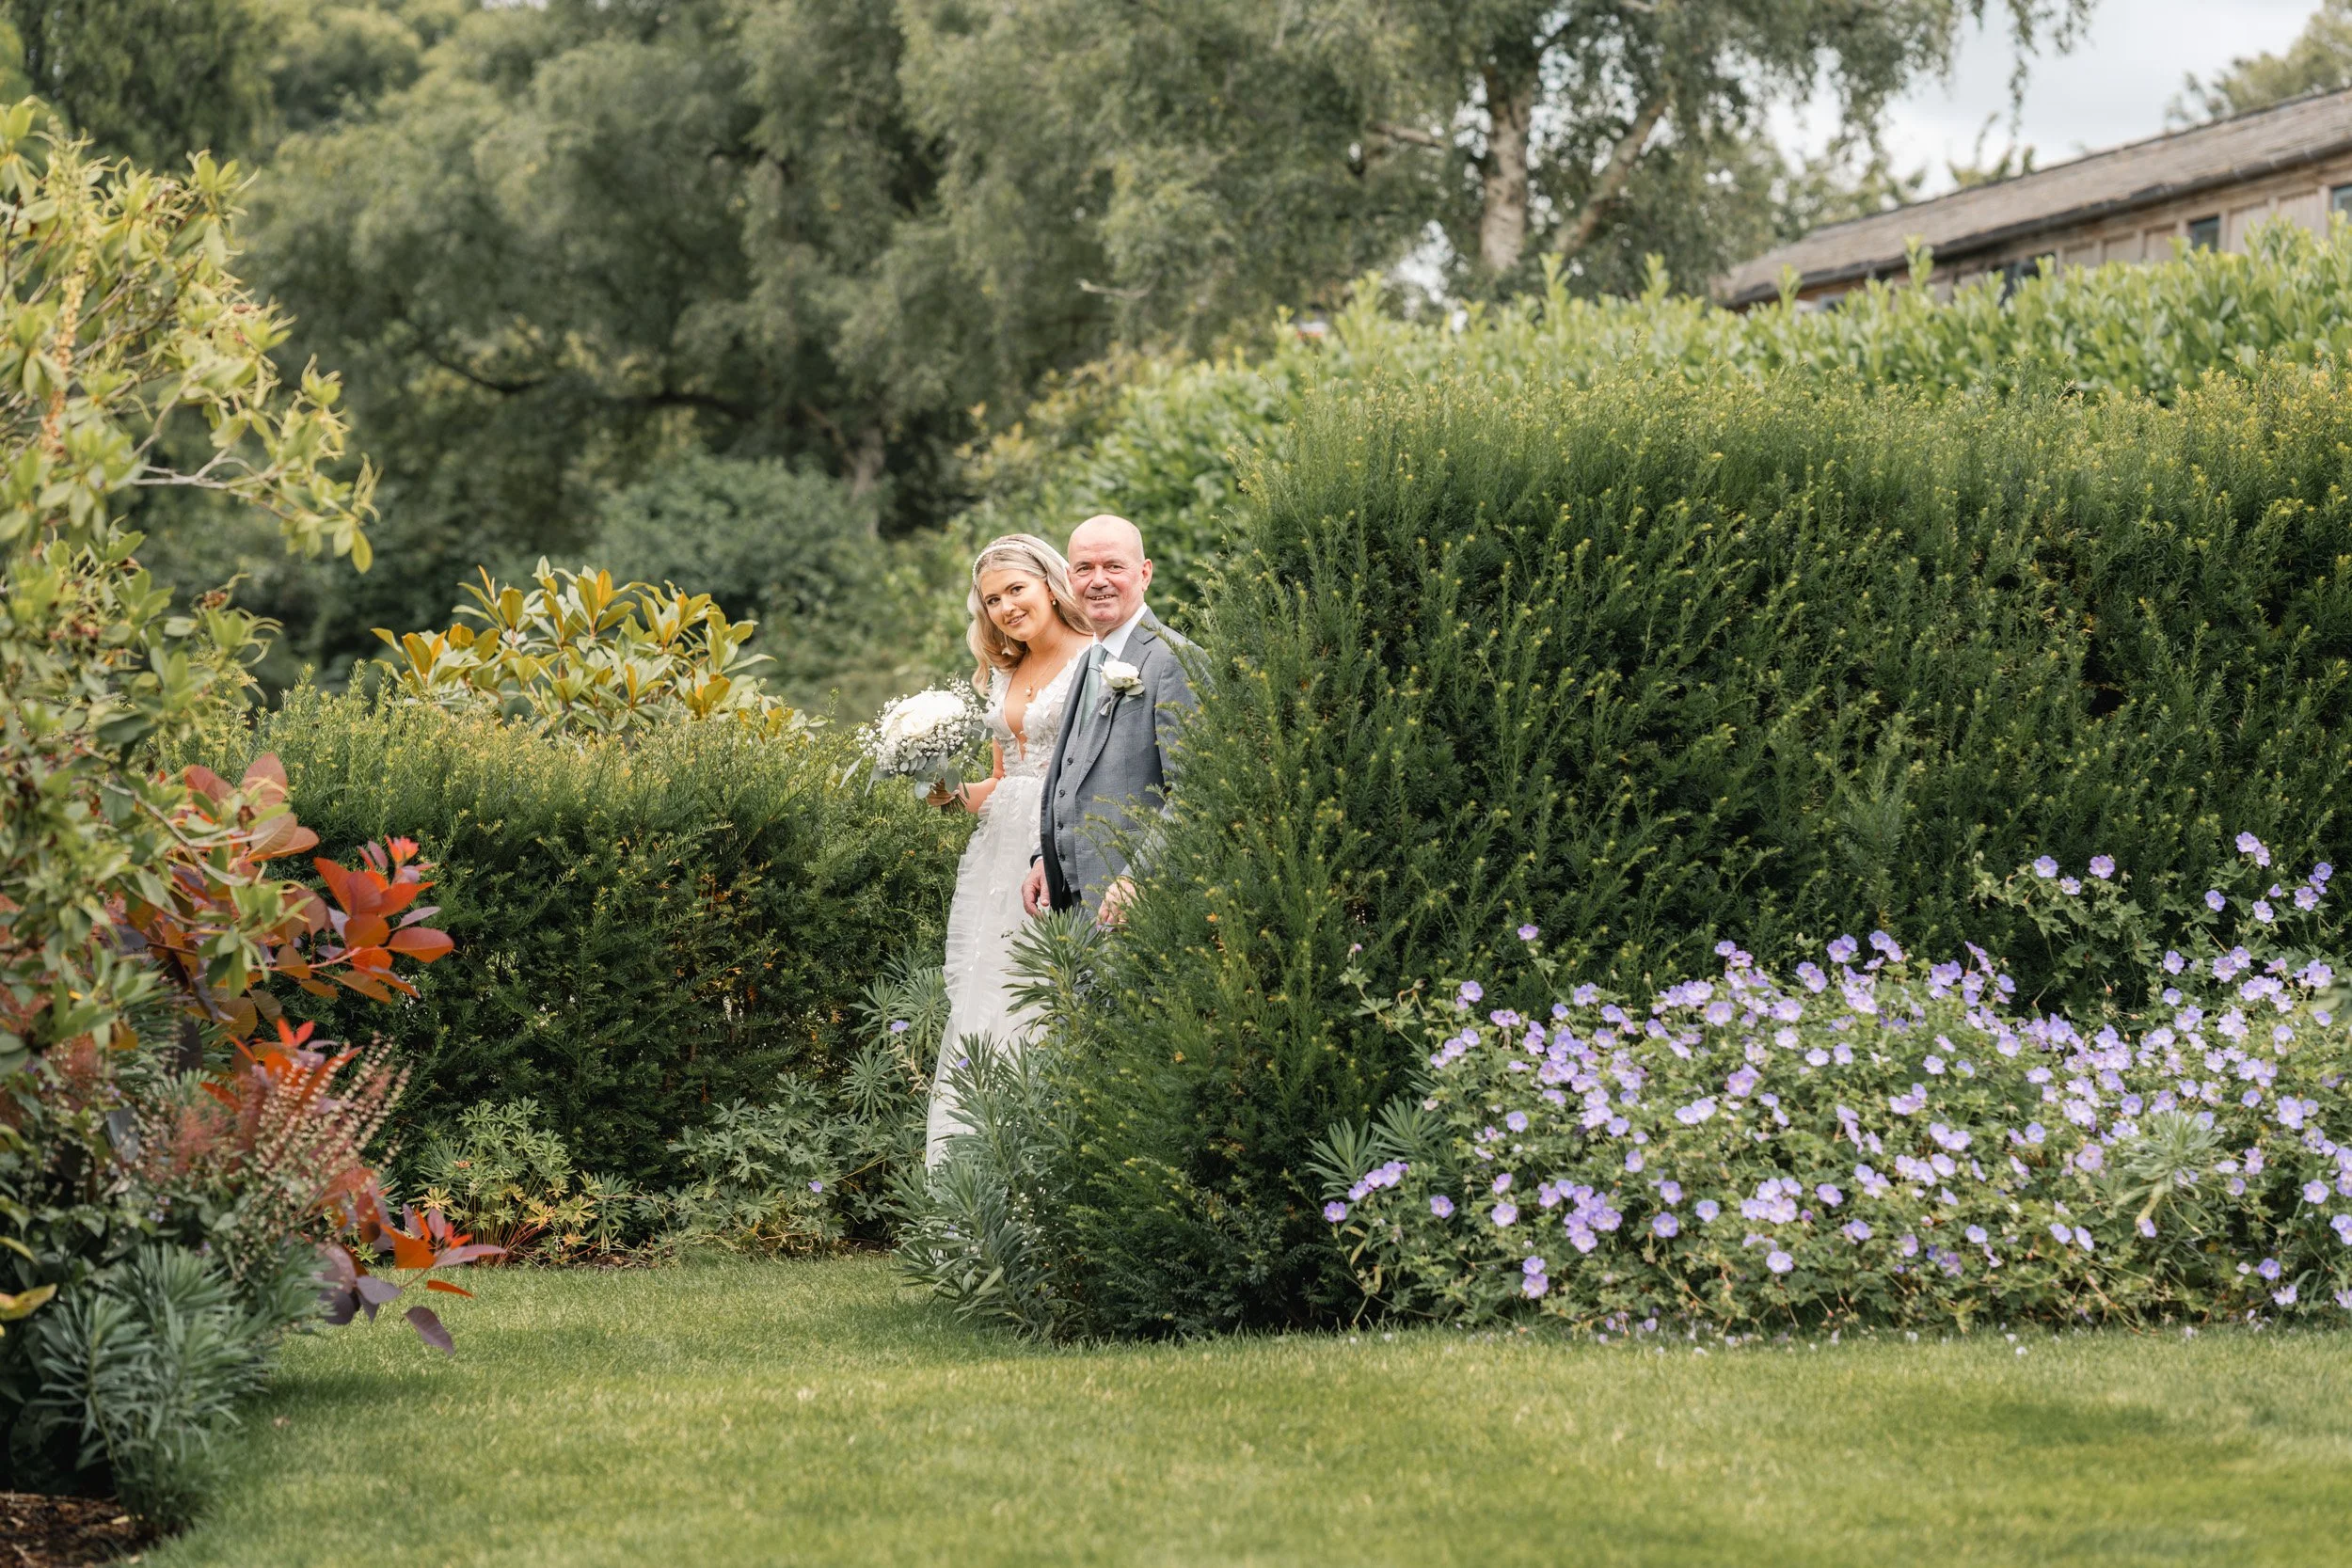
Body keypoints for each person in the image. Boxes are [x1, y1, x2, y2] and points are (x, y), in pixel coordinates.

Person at [920, 533, 1095, 1166]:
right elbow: (1000, 782)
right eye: (992, 599)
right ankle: (982, 1176)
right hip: (1000, 850)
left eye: (1016, 589)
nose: (1005, 607)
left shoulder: (1094, 661)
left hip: (1058, 840)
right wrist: (941, 789)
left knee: (1046, 995)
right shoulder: (1005, 670)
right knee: (987, 996)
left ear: (1050, 583)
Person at [1022, 513, 1197, 927]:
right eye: (1085, 569)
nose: (1098, 580)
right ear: (1069, 578)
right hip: (1076, 907)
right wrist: (1045, 859)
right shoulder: (1089, 662)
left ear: (1144, 573)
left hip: (1141, 910)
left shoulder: (1174, 660)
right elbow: (1073, 777)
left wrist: (1139, 879)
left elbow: (1194, 793)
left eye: (1113, 566)